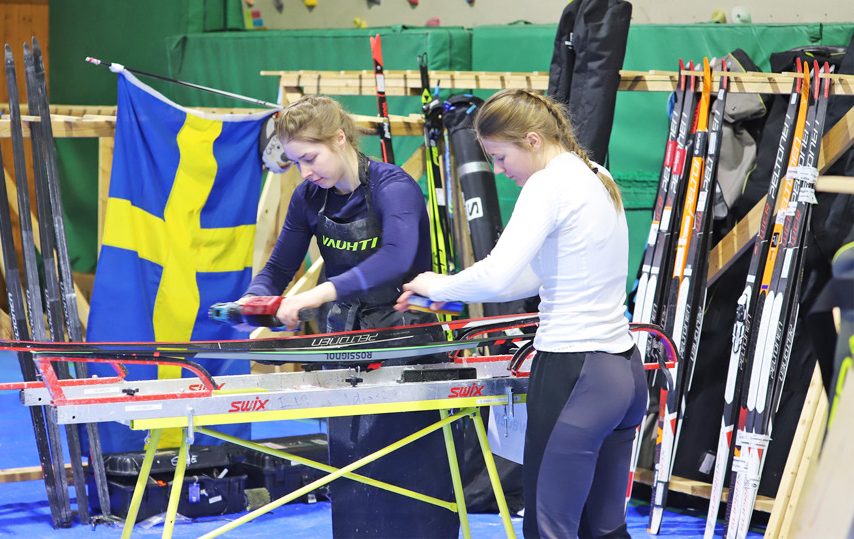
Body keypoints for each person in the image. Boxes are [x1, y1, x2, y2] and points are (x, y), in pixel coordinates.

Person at [396, 88, 647, 539]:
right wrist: (447, 294)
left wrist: (439, 282)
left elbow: (495, 276)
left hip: (577, 375)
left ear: (532, 140)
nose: (498, 170)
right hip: (624, 374)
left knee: (548, 531)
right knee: (603, 529)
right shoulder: (594, 174)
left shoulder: (547, 184)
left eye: (499, 156)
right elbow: (534, 276)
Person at [241, 95, 461, 538]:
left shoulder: (393, 186)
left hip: (407, 339)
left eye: (310, 158)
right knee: (353, 468)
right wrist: (256, 298)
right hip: (344, 342)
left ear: (339, 138)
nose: (305, 172)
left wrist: (320, 291)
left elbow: (397, 258)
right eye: (296, 162)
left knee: (412, 467)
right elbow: (279, 268)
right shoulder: (308, 197)